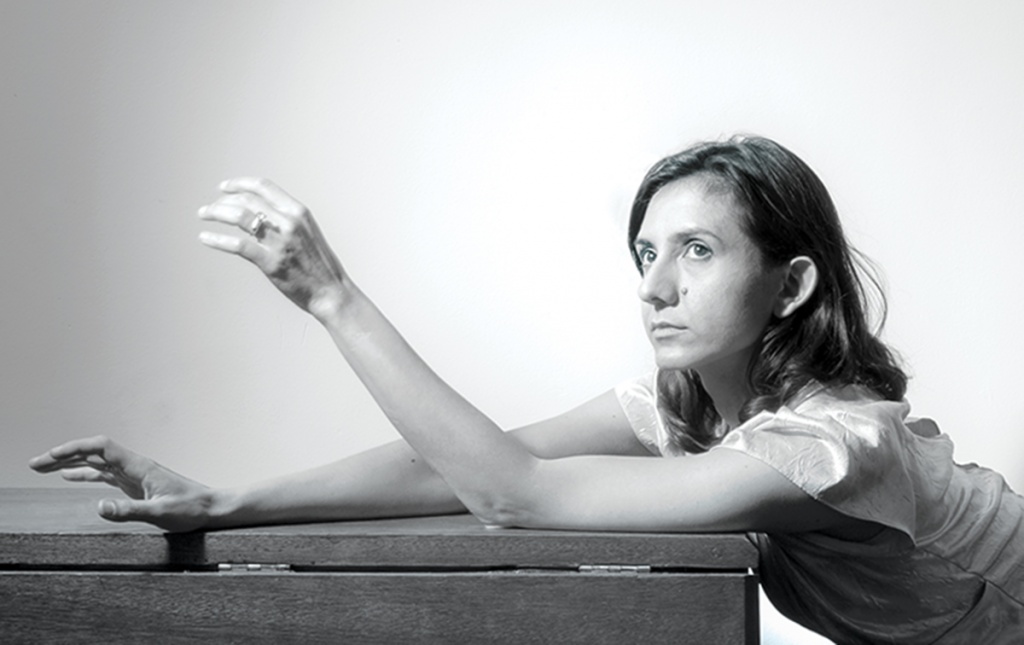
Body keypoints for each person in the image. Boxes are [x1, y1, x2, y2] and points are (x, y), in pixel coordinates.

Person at [30, 136, 1023, 643]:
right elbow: (458, 467)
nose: (656, 283)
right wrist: (227, 503)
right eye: (645, 251)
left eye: (698, 250)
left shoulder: (828, 447)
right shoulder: (688, 411)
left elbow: (515, 495)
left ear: (791, 284)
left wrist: (333, 298)